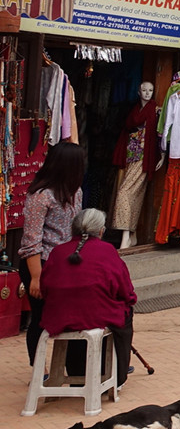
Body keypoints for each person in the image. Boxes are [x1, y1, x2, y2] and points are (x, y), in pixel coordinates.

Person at [40, 209, 137, 387]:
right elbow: (126, 291)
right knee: (124, 314)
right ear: (100, 231)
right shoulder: (107, 251)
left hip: (59, 318)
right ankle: (117, 375)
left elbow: (44, 288)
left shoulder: (57, 252)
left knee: (79, 317)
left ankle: (77, 372)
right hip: (97, 316)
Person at [19, 141, 85, 366]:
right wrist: (36, 277)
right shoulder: (41, 196)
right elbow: (31, 240)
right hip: (41, 262)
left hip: (67, 262)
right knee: (40, 318)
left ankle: (74, 366)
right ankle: (39, 369)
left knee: (73, 315)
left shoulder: (76, 192)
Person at [110, 81, 159, 247]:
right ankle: (132, 235)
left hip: (143, 158)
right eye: (144, 90)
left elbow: (159, 135)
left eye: (150, 90)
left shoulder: (154, 110)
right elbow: (128, 128)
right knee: (130, 195)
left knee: (125, 193)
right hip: (129, 156)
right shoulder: (134, 110)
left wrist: (162, 155)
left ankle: (125, 237)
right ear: (138, 92)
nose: (147, 93)